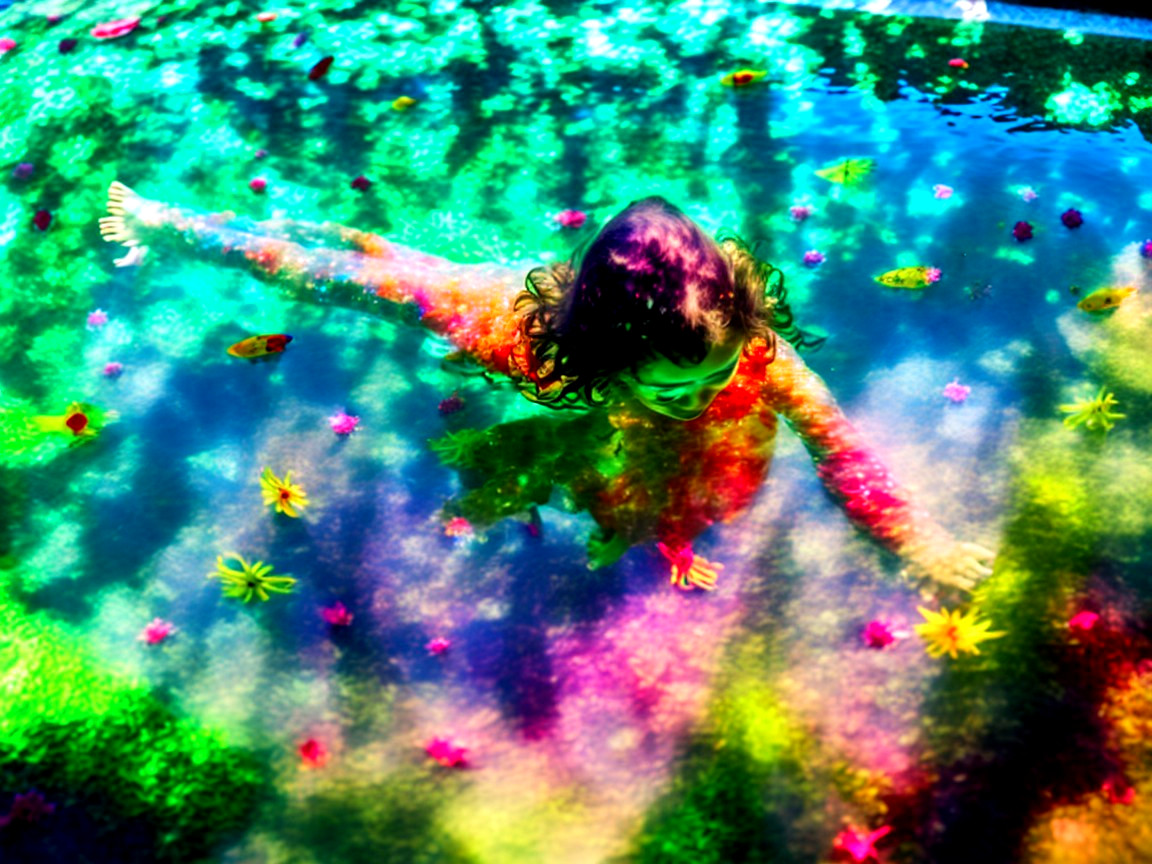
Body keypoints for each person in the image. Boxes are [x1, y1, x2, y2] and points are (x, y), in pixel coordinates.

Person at [100, 186, 993, 591]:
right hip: (510, 305)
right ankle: (169, 222)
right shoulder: (520, 341)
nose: (707, 393)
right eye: (676, 389)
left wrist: (914, 540)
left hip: (612, 332)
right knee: (346, 274)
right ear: (608, 359)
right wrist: (166, 229)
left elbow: (839, 447)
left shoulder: (755, 353)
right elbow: (324, 279)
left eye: (714, 375)